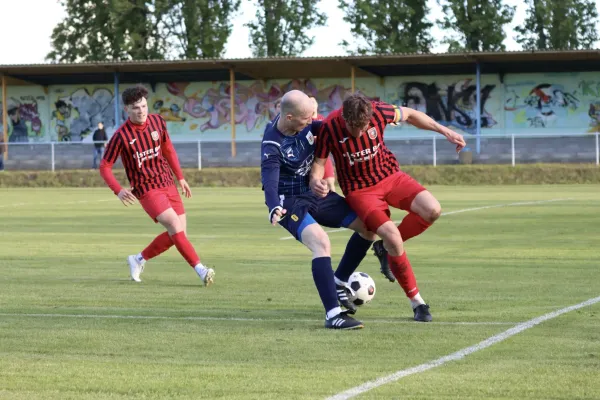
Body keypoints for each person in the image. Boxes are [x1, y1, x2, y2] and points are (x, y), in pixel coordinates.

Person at [310, 93, 466, 322]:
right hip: (361, 190)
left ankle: (385, 248)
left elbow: (411, 115)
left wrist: (445, 131)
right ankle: (417, 302)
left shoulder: (380, 111)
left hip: (391, 176)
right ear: (344, 118)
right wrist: (316, 180)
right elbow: (319, 163)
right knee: (392, 235)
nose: (360, 132)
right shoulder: (329, 127)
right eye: (355, 127)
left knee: (432, 210)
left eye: (364, 127)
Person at [261, 90, 380, 330]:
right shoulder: (272, 144)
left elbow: (331, 128)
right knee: (321, 242)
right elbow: (270, 180)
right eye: (307, 118)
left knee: (369, 228)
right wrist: (274, 205)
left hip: (314, 194)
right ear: (290, 117)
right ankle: (333, 314)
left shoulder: (306, 125)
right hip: (289, 202)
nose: (312, 121)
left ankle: (339, 281)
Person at [99, 85, 214, 286]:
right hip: (146, 188)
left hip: (167, 182)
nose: (141, 111)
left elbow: (168, 150)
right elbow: (105, 166)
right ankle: (201, 270)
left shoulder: (157, 121)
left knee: (179, 235)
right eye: (135, 107)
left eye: (143, 106)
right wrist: (118, 190)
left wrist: (180, 177)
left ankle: (138, 259)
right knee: (175, 227)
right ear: (126, 109)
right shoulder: (121, 136)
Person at [309, 96, 336, 193]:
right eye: (309, 102)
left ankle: (334, 202)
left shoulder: (323, 120)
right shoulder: (306, 122)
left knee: (330, 183)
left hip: (323, 157)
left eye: (313, 101)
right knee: (315, 185)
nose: (311, 104)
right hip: (310, 158)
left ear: (316, 104)